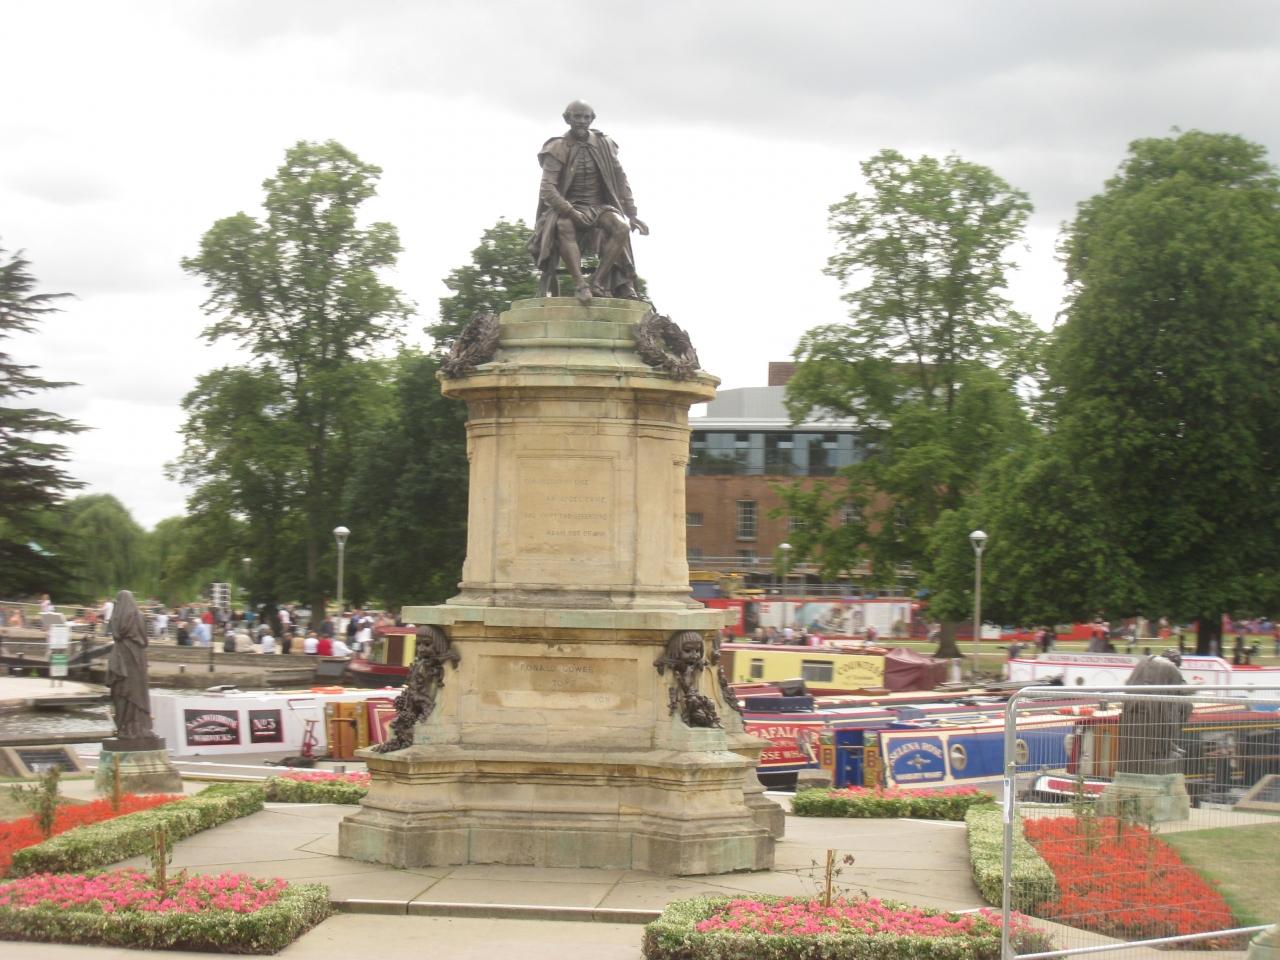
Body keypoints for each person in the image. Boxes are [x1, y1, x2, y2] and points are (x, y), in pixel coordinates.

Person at [529, 100, 648, 304]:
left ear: (592, 119)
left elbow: (621, 179)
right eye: (577, 116)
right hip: (568, 207)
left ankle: (597, 282)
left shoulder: (605, 144)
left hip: (600, 206)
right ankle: (580, 285)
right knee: (563, 226)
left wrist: (632, 214)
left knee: (621, 227)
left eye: (586, 117)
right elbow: (547, 189)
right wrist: (571, 212)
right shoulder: (557, 147)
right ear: (567, 118)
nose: (582, 121)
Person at [104, 590, 154, 739]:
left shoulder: (116, 617)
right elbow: (144, 640)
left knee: (122, 690)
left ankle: (123, 726)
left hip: (120, 655)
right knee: (137, 690)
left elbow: (115, 635)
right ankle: (139, 726)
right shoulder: (138, 616)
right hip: (137, 657)